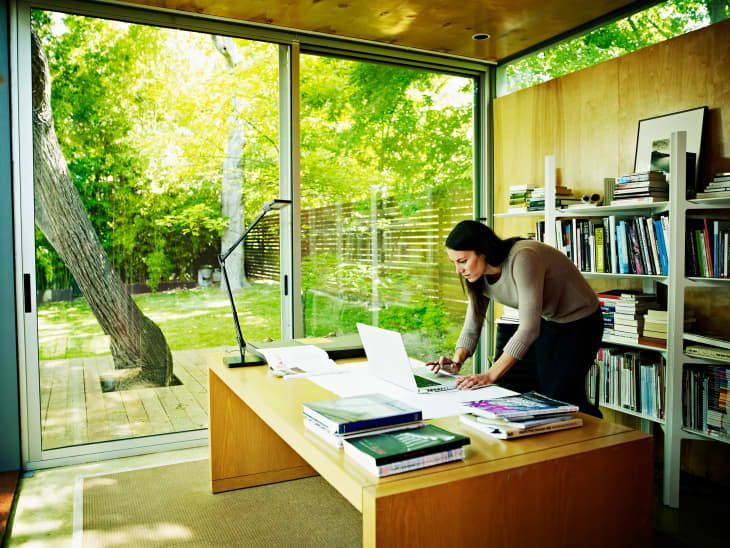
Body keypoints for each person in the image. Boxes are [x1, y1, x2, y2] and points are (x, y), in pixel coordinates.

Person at [427, 220, 603, 417]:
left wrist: (490, 375)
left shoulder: (523, 257)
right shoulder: (478, 278)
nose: (458, 270)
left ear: (483, 252)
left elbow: (529, 328)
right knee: (548, 395)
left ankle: (601, 433)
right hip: (550, 321)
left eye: (462, 261)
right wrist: (457, 361)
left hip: (582, 321)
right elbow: (472, 325)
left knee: (561, 395)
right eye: (455, 263)